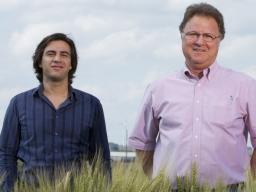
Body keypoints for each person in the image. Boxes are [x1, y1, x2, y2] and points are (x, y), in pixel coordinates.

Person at [129, 2, 256, 190]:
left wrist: (251, 182)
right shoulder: (158, 88)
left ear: (219, 39)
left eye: (208, 36)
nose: (199, 41)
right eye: (193, 34)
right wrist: (159, 182)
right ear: (181, 36)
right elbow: (142, 142)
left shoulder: (245, 86)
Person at [0, 33, 111, 191]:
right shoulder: (18, 104)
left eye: (64, 55)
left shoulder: (92, 105)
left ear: (71, 64)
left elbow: (101, 160)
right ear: (39, 61)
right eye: (51, 53)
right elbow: (5, 155)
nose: (57, 59)